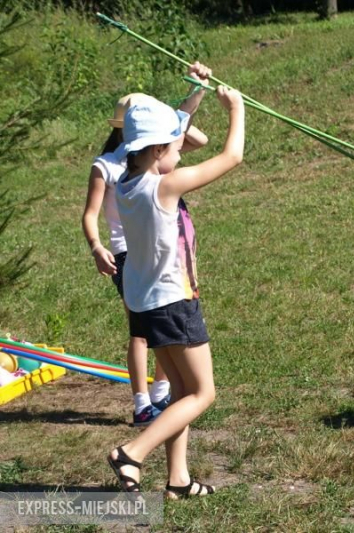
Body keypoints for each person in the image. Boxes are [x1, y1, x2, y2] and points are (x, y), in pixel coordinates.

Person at [107, 84, 244, 498]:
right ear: (154, 152)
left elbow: (173, 146)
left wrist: (194, 97)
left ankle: (178, 480)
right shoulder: (163, 187)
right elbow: (231, 157)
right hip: (173, 304)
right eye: (175, 146)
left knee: (181, 393)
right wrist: (235, 109)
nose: (181, 150)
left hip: (146, 305)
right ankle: (132, 452)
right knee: (203, 393)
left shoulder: (125, 184)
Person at [81, 63, 212, 427]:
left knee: (160, 327)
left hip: (156, 249)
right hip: (126, 254)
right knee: (141, 331)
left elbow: (189, 131)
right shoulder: (107, 166)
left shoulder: (153, 156)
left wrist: (196, 86)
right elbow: (90, 215)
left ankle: (161, 395)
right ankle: (142, 401)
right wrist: (96, 246)